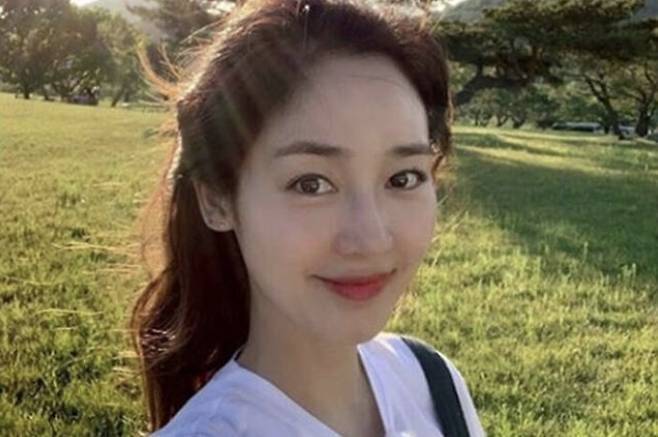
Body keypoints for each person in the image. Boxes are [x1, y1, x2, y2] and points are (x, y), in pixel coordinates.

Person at [131, 0, 485, 435]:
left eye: (403, 178)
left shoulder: (432, 380)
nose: (371, 239)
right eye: (311, 184)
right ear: (217, 200)